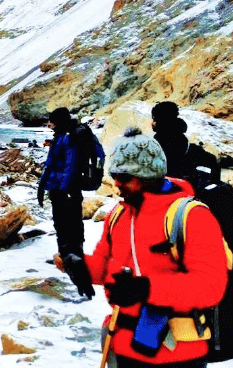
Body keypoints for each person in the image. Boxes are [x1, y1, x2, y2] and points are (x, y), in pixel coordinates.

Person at [56, 127, 227, 367]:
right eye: (114, 176)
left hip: (178, 355)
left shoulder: (191, 217)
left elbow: (210, 287)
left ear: (148, 175)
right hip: (123, 347)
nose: (116, 184)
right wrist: (77, 264)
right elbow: (105, 267)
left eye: (124, 178)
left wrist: (147, 288)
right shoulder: (119, 215)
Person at [37, 107, 85, 258]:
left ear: (58, 121)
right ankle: (66, 255)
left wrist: (63, 190)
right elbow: (51, 164)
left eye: (51, 121)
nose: (48, 124)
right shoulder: (60, 136)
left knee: (68, 223)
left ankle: (73, 257)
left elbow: (70, 166)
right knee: (65, 223)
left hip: (65, 189)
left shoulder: (68, 138)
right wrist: (42, 185)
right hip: (60, 188)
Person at [152, 101, 220, 191]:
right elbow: (212, 161)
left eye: (154, 119)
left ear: (159, 121)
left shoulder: (154, 146)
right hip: (191, 192)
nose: (152, 122)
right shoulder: (187, 145)